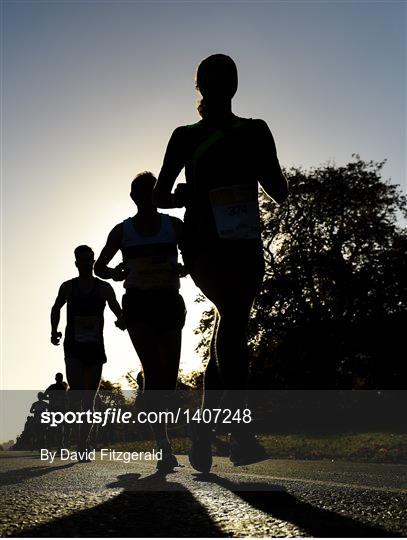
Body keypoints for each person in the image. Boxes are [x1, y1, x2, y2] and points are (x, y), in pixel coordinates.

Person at [154, 54, 289, 472]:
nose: (217, 86)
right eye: (213, 80)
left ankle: (202, 427)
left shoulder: (254, 130)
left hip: (244, 240)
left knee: (230, 328)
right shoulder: (184, 136)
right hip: (203, 244)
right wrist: (189, 194)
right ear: (204, 87)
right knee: (231, 315)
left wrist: (254, 165)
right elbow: (160, 196)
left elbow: (277, 189)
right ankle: (241, 433)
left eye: (222, 79)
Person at [94, 171, 186, 473]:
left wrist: (185, 268)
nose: (147, 197)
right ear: (134, 197)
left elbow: (195, 256)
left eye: (153, 192)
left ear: (159, 194)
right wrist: (114, 272)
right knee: (156, 369)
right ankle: (163, 445)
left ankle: (150, 393)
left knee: (168, 380)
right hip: (139, 304)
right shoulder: (123, 231)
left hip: (169, 302)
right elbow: (99, 266)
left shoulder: (174, 226)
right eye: (142, 193)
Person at [50, 245, 126, 452]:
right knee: (77, 395)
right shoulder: (68, 287)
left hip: (95, 347)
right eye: (81, 260)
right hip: (73, 346)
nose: (85, 263)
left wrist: (121, 319)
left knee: (89, 399)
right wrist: (53, 331)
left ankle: (83, 442)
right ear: (76, 263)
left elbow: (115, 305)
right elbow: (56, 307)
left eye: (89, 260)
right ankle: (76, 436)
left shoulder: (103, 287)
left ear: (93, 262)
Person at [44, 373, 68, 448]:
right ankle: (60, 445)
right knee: (60, 428)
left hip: (53, 410)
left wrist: (51, 399)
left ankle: (49, 445)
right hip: (61, 410)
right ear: (62, 379)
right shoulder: (64, 388)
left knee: (51, 427)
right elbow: (66, 399)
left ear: (55, 378)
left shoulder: (52, 387)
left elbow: (44, 396)